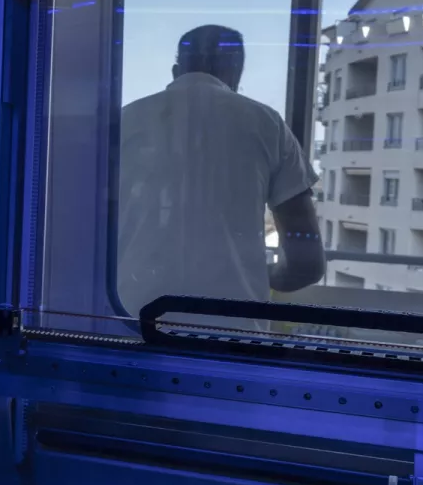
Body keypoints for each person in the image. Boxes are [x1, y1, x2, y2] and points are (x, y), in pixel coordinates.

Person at [115, 25, 326, 326]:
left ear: (177, 70)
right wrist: (261, 275)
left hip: (129, 320)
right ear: (236, 73)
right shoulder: (268, 124)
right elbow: (307, 265)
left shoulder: (123, 121)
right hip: (232, 331)